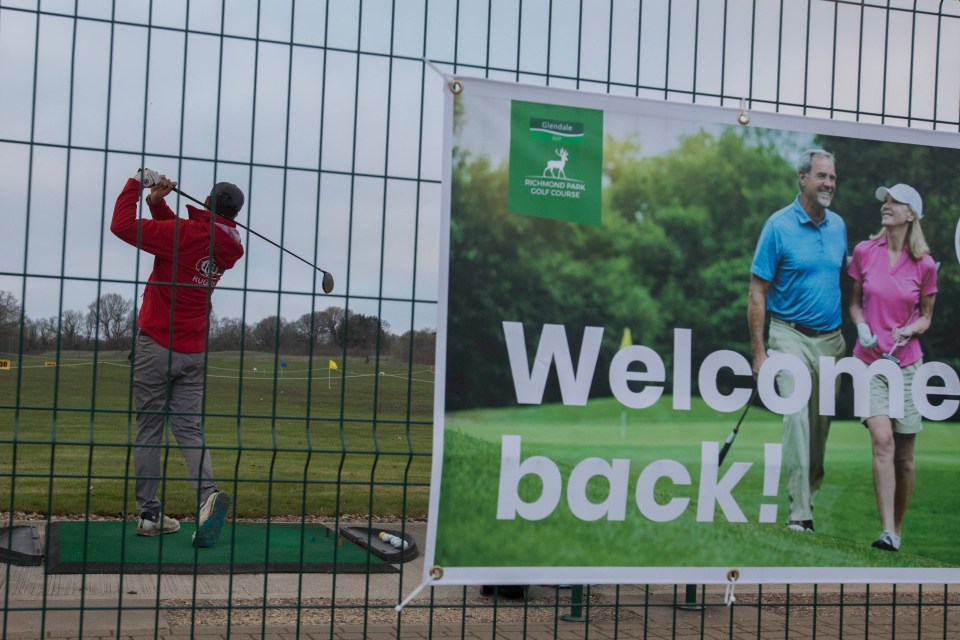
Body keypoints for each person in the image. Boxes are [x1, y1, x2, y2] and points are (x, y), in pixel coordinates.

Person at [111, 169, 245, 548]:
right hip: (195, 350)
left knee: (150, 427)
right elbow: (180, 243)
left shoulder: (187, 234)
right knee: (189, 429)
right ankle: (207, 498)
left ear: (206, 202)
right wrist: (158, 204)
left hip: (156, 343)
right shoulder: (226, 243)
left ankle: (150, 514)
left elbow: (121, 226)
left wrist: (137, 183)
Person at [748, 149, 847, 533]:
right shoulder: (777, 226)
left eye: (833, 178)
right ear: (802, 179)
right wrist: (759, 353)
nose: (828, 184)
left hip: (832, 342)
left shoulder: (838, 226)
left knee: (820, 430)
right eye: (822, 176)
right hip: (788, 335)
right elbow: (757, 292)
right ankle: (799, 513)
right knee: (796, 419)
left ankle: (809, 494)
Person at [848, 183, 937, 552]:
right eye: (884, 201)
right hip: (869, 362)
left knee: (904, 457)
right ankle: (886, 530)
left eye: (894, 202)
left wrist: (909, 329)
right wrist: (861, 325)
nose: (886, 206)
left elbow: (927, 317)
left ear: (911, 214)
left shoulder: (926, 264)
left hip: (907, 365)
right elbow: (854, 303)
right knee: (881, 439)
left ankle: (896, 531)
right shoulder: (864, 251)